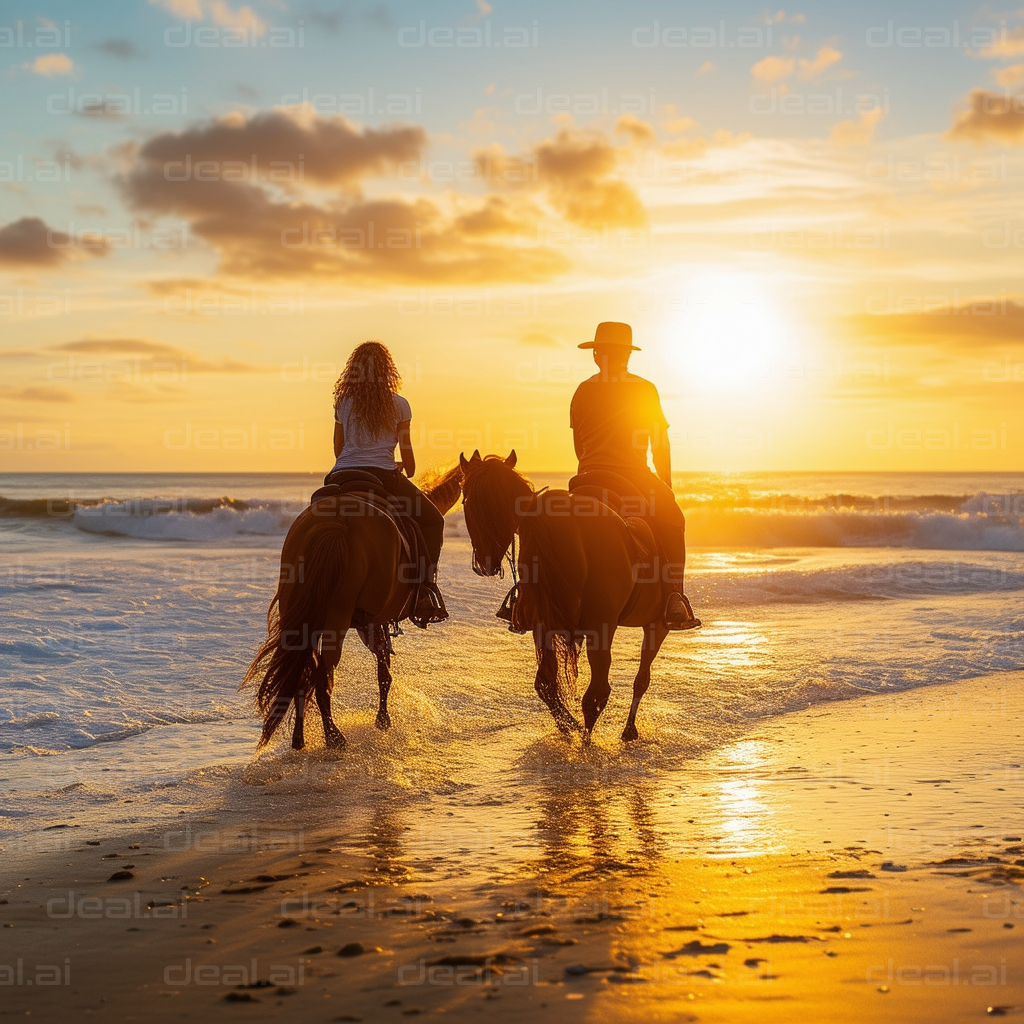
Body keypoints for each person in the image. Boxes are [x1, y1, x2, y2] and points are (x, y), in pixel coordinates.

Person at [569, 321, 697, 629]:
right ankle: (673, 597)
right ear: (627, 356)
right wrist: (665, 485)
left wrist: (590, 469)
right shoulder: (644, 389)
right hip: (633, 477)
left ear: (597, 355)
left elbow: (578, 447)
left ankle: (526, 596)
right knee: (673, 519)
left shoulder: (583, 390)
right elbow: (660, 444)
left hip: (585, 478)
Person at [325, 340, 447, 626]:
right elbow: (409, 460)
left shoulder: (343, 403)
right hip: (383, 476)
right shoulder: (399, 404)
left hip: (340, 475)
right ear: (386, 370)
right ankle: (425, 590)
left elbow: (338, 448)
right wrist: (406, 467)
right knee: (433, 522)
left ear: (353, 370)